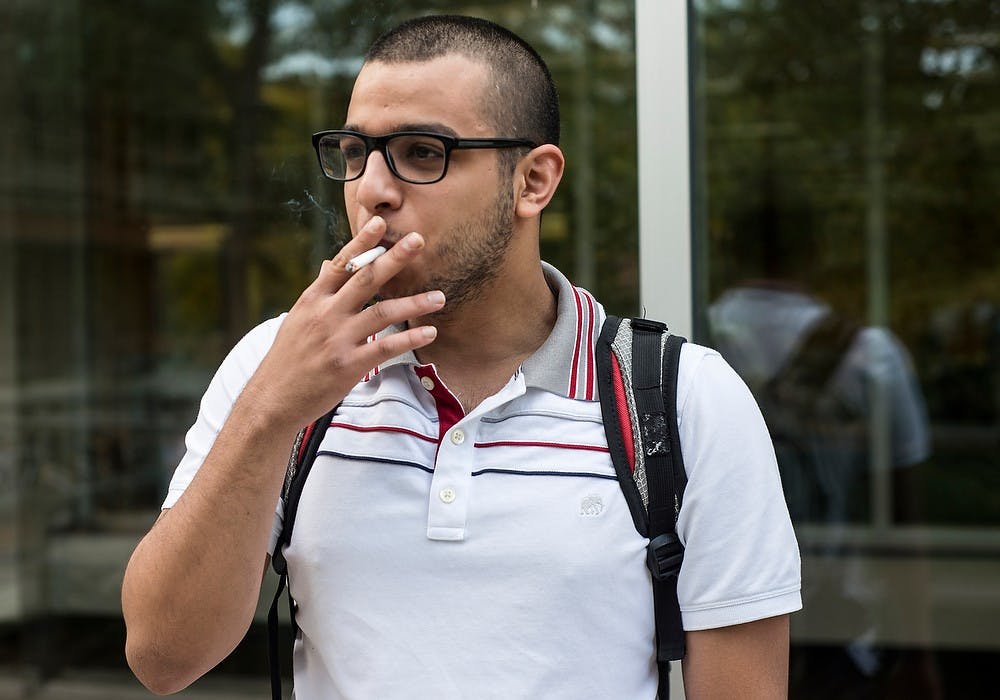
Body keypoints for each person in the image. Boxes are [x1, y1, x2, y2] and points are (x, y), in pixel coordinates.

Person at [122, 15, 800, 699]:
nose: (371, 190)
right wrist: (272, 409)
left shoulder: (680, 398)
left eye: (422, 152)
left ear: (532, 181)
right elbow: (162, 657)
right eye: (357, 152)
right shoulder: (276, 368)